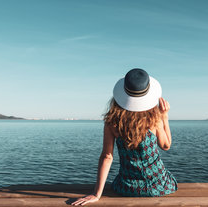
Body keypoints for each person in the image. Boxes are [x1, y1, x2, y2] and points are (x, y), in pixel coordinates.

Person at [72, 68, 177, 205]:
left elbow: (107, 157)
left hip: (127, 187)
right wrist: (164, 116)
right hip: (158, 186)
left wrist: (96, 194)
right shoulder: (154, 120)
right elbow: (166, 145)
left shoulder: (112, 122)